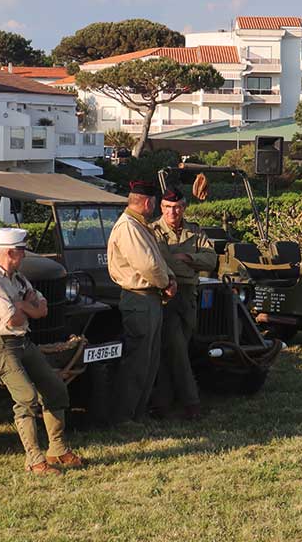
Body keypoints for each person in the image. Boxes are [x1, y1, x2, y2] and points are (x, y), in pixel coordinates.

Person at [0, 227, 83, 475]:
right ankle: (34, 460)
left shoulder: (17, 277)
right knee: (27, 398)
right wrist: (25, 306)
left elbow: (40, 305)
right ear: (10, 253)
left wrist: (25, 305)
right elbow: (12, 320)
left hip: (22, 342)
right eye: (22, 252)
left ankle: (57, 450)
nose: (24, 256)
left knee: (55, 388)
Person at [106, 180, 176, 425]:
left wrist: (168, 278)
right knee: (137, 361)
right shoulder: (129, 227)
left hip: (149, 299)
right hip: (139, 298)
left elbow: (155, 259)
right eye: (155, 203)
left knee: (149, 360)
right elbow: (147, 265)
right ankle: (124, 416)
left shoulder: (138, 225)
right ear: (148, 203)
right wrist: (165, 282)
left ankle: (137, 413)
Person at [150, 188, 217, 420]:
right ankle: (191, 403)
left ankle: (163, 403)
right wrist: (187, 265)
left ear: (184, 207)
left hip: (189, 294)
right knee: (177, 348)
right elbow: (163, 261)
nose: (173, 212)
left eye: (177, 207)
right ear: (161, 208)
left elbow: (212, 258)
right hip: (166, 294)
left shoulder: (195, 231)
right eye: (168, 207)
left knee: (177, 349)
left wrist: (189, 258)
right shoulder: (154, 231)